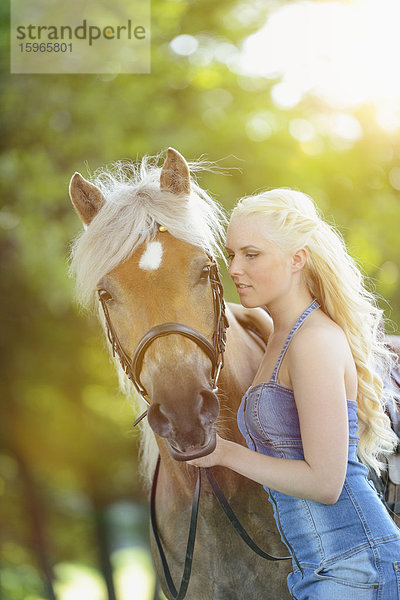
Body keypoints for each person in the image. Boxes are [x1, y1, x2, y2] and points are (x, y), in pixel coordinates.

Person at [188, 188, 400, 599]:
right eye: (231, 254)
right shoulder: (283, 335)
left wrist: (224, 452)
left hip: (357, 567)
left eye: (252, 255)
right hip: (322, 570)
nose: (234, 268)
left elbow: (326, 482)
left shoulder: (314, 342)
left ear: (297, 259)